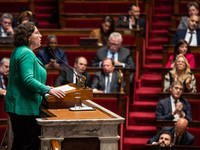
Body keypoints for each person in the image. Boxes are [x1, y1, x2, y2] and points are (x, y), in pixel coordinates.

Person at [4, 22, 66, 150]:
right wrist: (47, 90)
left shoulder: (21, 51)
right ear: (28, 37)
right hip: (23, 107)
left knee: (21, 144)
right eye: (37, 33)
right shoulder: (26, 53)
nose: (41, 35)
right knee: (28, 145)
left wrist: (47, 87)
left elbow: (25, 79)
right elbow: (27, 79)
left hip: (20, 106)